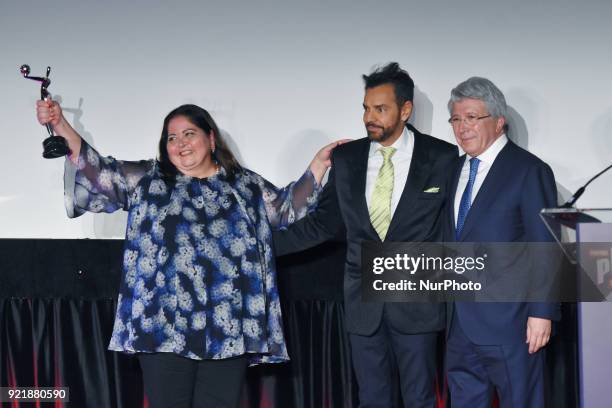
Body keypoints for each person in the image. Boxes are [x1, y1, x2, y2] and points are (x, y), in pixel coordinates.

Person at [36, 99, 343, 408]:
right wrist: (60, 124)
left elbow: (286, 208)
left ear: (211, 139)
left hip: (228, 330)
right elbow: (97, 169)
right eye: (172, 137)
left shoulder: (245, 186)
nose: (180, 144)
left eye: (189, 134)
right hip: (161, 330)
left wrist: (319, 163)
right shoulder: (148, 180)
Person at [273, 63, 458, 407]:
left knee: (420, 399)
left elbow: (453, 229)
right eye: (366, 108)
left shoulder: (442, 157)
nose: (369, 117)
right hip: (363, 304)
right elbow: (323, 224)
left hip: (417, 301)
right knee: (372, 399)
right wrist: (260, 248)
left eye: (380, 109)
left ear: (405, 110)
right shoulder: (347, 158)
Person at [443, 77, 561, 407]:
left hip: (513, 326)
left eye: (471, 117)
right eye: (455, 118)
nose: (462, 127)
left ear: (499, 120)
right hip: (460, 328)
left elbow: (546, 247)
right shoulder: (454, 170)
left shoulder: (529, 170)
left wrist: (543, 313)